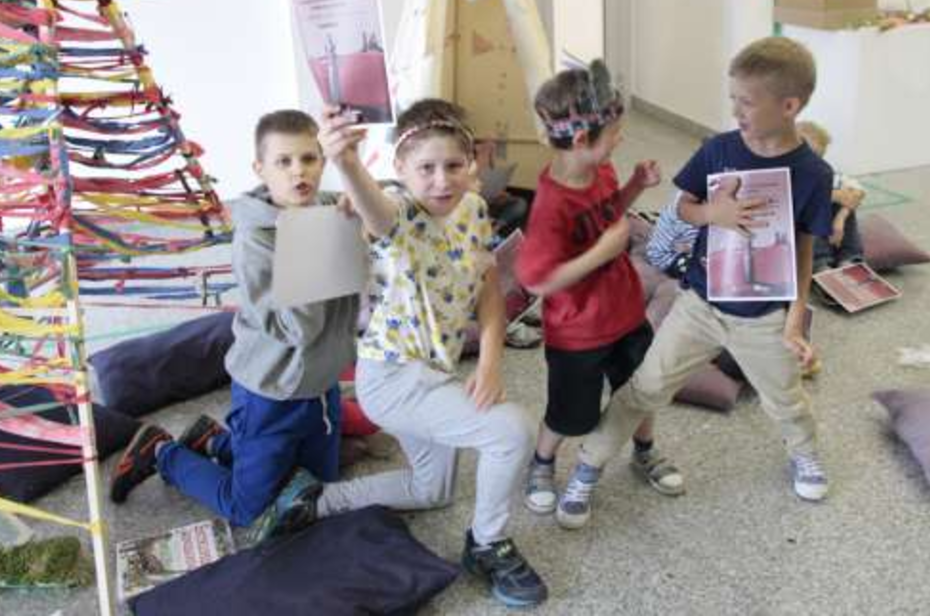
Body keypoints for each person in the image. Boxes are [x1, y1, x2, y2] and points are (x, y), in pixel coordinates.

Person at [278, 98, 547, 609]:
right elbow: (378, 212)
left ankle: (318, 500)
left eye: (453, 165)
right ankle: (487, 544)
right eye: (426, 168)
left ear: (472, 163)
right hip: (393, 381)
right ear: (400, 168)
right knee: (512, 431)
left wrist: (491, 362)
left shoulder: (473, 208)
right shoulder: (398, 213)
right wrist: (346, 161)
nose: (442, 181)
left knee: (432, 491)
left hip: (437, 374)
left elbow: (490, 291)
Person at [557, 36, 835, 527]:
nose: (735, 110)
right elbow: (683, 208)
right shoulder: (718, 149)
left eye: (746, 102)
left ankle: (806, 454)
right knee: (644, 387)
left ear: (789, 106)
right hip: (699, 303)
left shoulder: (814, 173)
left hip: (762, 316)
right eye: (733, 99)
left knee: (786, 397)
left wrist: (795, 320)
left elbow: (804, 248)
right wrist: (713, 214)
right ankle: (588, 466)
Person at [109, 110, 359, 547]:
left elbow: (383, 213)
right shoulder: (256, 240)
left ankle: (215, 441)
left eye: (309, 158)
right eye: (283, 161)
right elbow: (298, 330)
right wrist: (317, 251)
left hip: (320, 388)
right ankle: (162, 452)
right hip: (271, 391)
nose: (298, 171)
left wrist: (359, 205)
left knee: (316, 486)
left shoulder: (329, 209)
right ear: (260, 169)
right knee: (248, 507)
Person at [514, 61, 684, 528]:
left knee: (642, 391)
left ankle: (644, 451)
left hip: (625, 311)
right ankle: (542, 462)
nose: (621, 140)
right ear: (580, 140)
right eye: (614, 133)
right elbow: (535, 280)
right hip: (578, 333)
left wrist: (634, 187)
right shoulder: (550, 206)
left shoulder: (600, 168)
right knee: (571, 415)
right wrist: (601, 253)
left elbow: (610, 213)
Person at [796, 121, 866, 272]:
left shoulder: (826, 174)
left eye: (818, 157)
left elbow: (857, 192)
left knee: (844, 200)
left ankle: (850, 258)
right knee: (812, 206)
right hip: (808, 242)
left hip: (834, 235)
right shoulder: (787, 175)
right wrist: (830, 196)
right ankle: (820, 263)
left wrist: (840, 218)